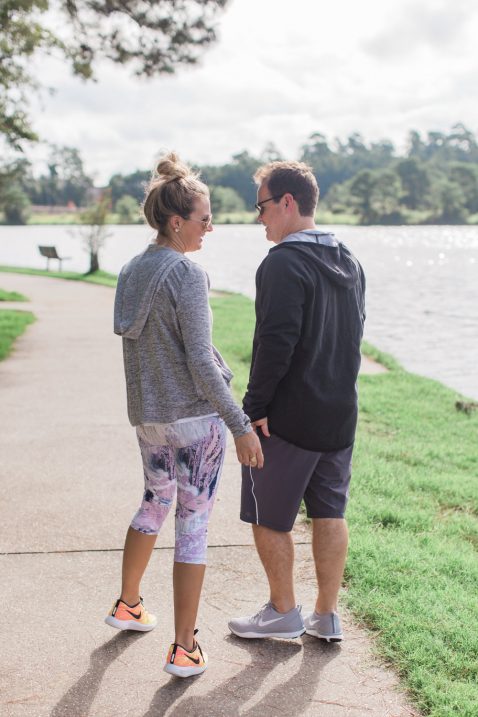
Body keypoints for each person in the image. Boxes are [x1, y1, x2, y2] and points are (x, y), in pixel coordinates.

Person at [107, 152, 263, 678]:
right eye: (204, 218)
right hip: (195, 422)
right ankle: (183, 648)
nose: (210, 227)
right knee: (193, 525)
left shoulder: (131, 271)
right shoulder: (187, 274)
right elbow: (199, 360)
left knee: (154, 502)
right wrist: (240, 425)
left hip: (149, 418)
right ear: (177, 221)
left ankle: (128, 604)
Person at [228, 161, 365, 643]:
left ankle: (283, 611)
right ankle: (326, 617)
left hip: (286, 419)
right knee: (330, 512)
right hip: (338, 416)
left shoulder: (283, 262)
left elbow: (276, 341)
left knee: (268, 514)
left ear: (287, 202)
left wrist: (252, 408)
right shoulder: (348, 258)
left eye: (262, 206)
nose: (259, 218)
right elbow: (354, 338)